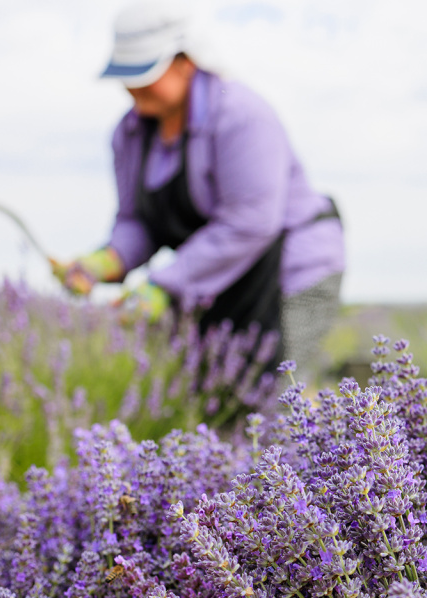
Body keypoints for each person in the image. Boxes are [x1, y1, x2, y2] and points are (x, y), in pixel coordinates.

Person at [55, 0, 345, 384]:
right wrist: (108, 260)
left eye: (144, 73)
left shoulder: (241, 117)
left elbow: (252, 223)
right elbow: (136, 221)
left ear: (184, 62)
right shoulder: (129, 133)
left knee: (274, 393)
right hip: (213, 276)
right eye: (126, 75)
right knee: (208, 393)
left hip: (289, 272)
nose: (134, 87)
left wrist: (163, 286)